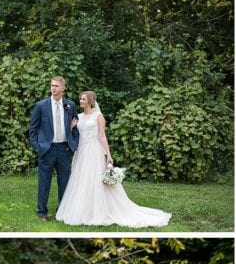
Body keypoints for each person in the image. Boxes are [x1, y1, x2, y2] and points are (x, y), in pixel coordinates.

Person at [56, 91, 171, 227]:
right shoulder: (78, 117)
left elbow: (102, 136)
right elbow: (71, 133)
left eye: (83, 99)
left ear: (90, 102)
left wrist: (108, 155)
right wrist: (71, 126)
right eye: (80, 99)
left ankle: (99, 210)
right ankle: (83, 209)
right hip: (81, 151)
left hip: (94, 151)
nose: (80, 101)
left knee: (95, 180)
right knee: (80, 179)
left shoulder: (98, 116)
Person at [28, 76, 79, 221]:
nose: (53, 88)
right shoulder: (41, 106)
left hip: (65, 149)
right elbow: (33, 129)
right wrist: (38, 147)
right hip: (47, 149)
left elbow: (76, 126)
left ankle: (62, 211)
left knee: (64, 182)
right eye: (52, 85)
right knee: (44, 182)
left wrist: (73, 144)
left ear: (63, 88)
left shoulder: (70, 105)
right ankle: (42, 212)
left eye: (57, 86)